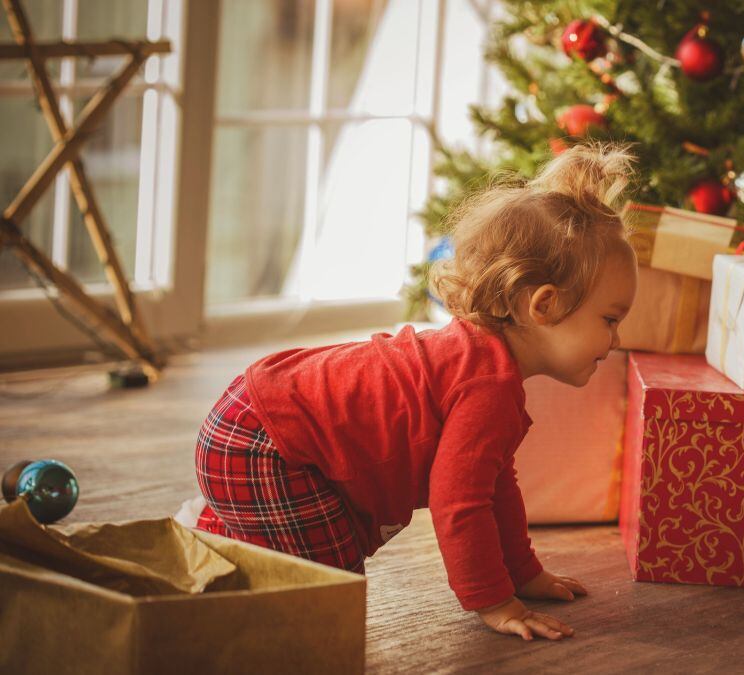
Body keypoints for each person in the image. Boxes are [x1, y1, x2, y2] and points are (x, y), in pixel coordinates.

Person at [192, 143, 639, 641]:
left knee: (315, 565)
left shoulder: (485, 366)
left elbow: (495, 488)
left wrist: (524, 574)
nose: (616, 340)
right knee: (325, 598)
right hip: (262, 443)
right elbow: (460, 505)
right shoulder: (485, 387)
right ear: (545, 306)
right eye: (610, 319)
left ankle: (211, 548)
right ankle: (217, 591)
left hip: (252, 418)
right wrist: (495, 601)